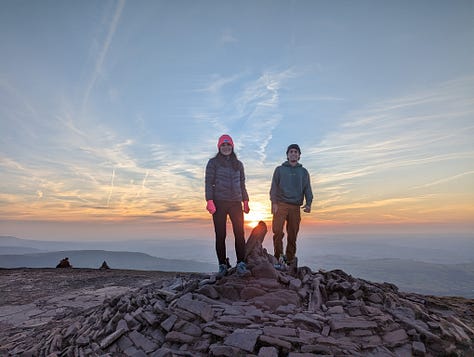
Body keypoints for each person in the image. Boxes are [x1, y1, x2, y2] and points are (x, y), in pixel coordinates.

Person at [205, 134, 251, 278]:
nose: (226, 147)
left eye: (228, 145)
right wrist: (209, 200)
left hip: (236, 202)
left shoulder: (238, 164)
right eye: (223, 145)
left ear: (232, 146)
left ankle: (241, 263)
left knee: (239, 233)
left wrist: (245, 201)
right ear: (219, 147)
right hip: (219, 202)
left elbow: (242, 183)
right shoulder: (213, 163)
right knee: (220, 235)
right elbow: (208, 182)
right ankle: (222, 265)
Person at [270, 144, 313, 271]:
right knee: (277, 231)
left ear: (299, 155)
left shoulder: (303, 172)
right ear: (287, 155)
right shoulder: (279, 170)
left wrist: (309, 203)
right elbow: (274, 187)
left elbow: (307, 188)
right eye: (291, 152)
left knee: (293, 234)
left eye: (296, 152)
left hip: (295, 207)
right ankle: (278, 257)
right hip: (281, 204)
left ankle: (289, 259)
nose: (293, 154)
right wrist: (274, 203)